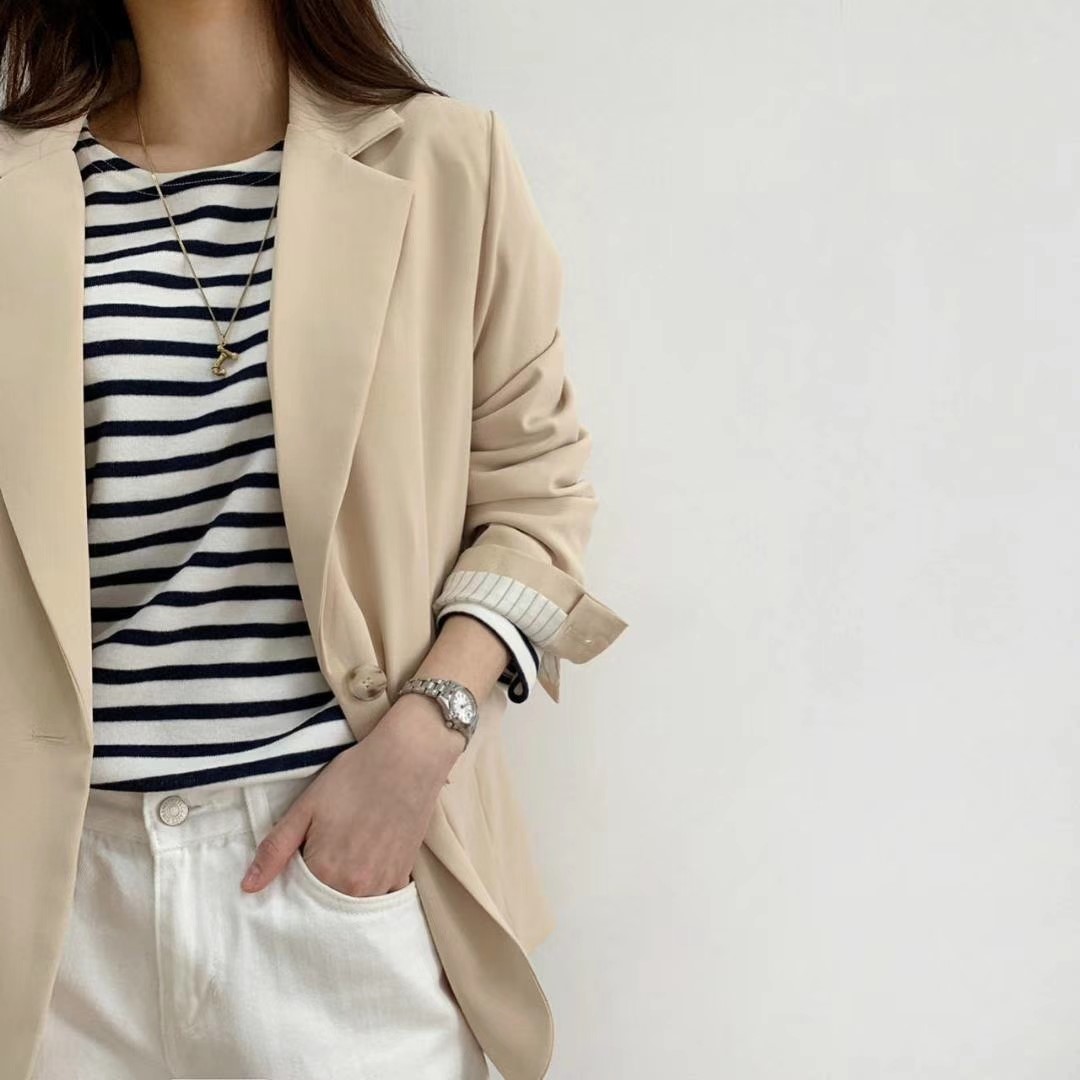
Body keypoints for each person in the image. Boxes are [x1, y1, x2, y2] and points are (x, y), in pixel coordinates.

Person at [0, 2, 629, 1078]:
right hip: (60, 913)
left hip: (333, 880)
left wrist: (423, 740)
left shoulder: (443, 161)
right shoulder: (19, 189)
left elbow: (536, 495)